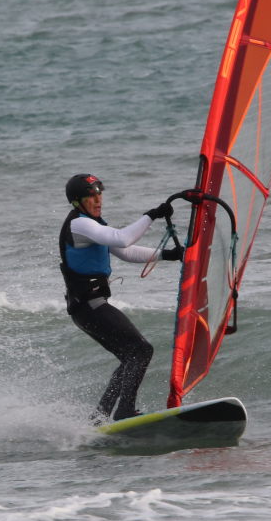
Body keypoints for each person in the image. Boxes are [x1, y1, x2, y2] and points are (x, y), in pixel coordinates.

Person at [59, 173, 184, 423]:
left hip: (88, 307)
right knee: (141, 350)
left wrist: (168, 255)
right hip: (89, 307)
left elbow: (125, 251)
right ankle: (124, 410)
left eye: (99, 194)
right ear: (77, 202)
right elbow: (122, 238)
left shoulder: (93, 225)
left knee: (130, 356)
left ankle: (99, 417)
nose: (98, 200)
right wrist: (151, 215)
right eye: (91, 196)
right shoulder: (79, 225)